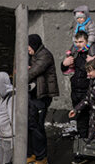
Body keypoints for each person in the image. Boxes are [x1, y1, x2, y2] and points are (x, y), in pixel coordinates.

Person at [62, 31, 95, 139]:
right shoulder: (75, 53)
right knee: (81, 119)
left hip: (90, 92)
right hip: (76, 91)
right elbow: (65, 69)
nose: (78, 44)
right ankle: (83, 145)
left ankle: (93, 147)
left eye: (81, 41)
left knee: (92, 120)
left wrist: (94, 61)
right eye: (76, 42)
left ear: (88, 41)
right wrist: (64, 64)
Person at [28, 34, 58, 164]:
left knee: (38, 127)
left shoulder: (45, 55)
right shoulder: (34, 55)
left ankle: (42, 157)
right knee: (31, 125)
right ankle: (34, 154)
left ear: (34, 45)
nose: (27, 50)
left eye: (28, 47)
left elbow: (31, 73)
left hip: (42, 97)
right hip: (34, 95)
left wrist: (26, 69)